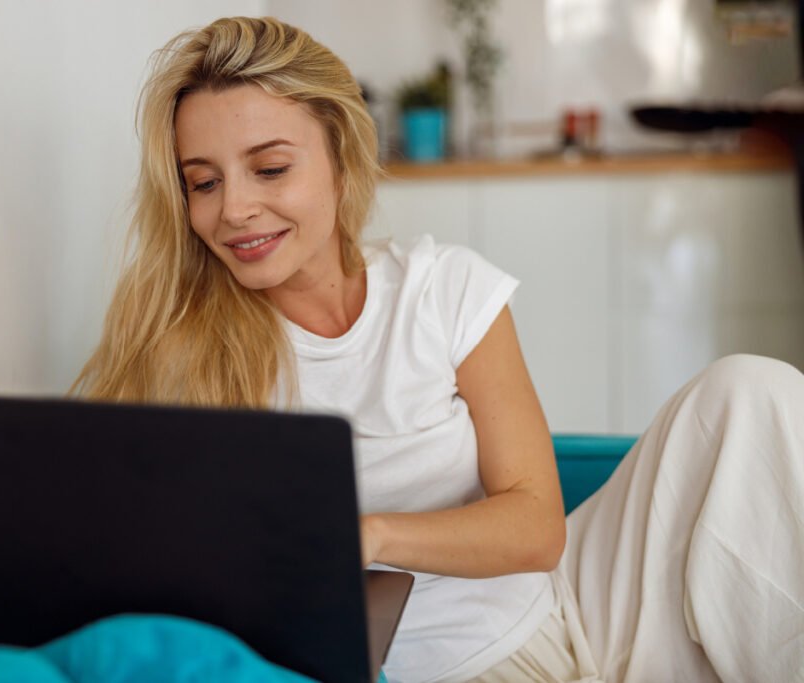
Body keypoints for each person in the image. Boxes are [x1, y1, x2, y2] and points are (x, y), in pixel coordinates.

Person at [74, 16, 804, 683]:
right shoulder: (185, 359)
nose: (233, 208)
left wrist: (368, 535)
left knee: (750, 392)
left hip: (571, 602)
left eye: (269, 168)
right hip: (438, 665)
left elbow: (537, 526)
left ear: (341, 158)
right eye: (203, 182)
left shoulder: (442, 287)